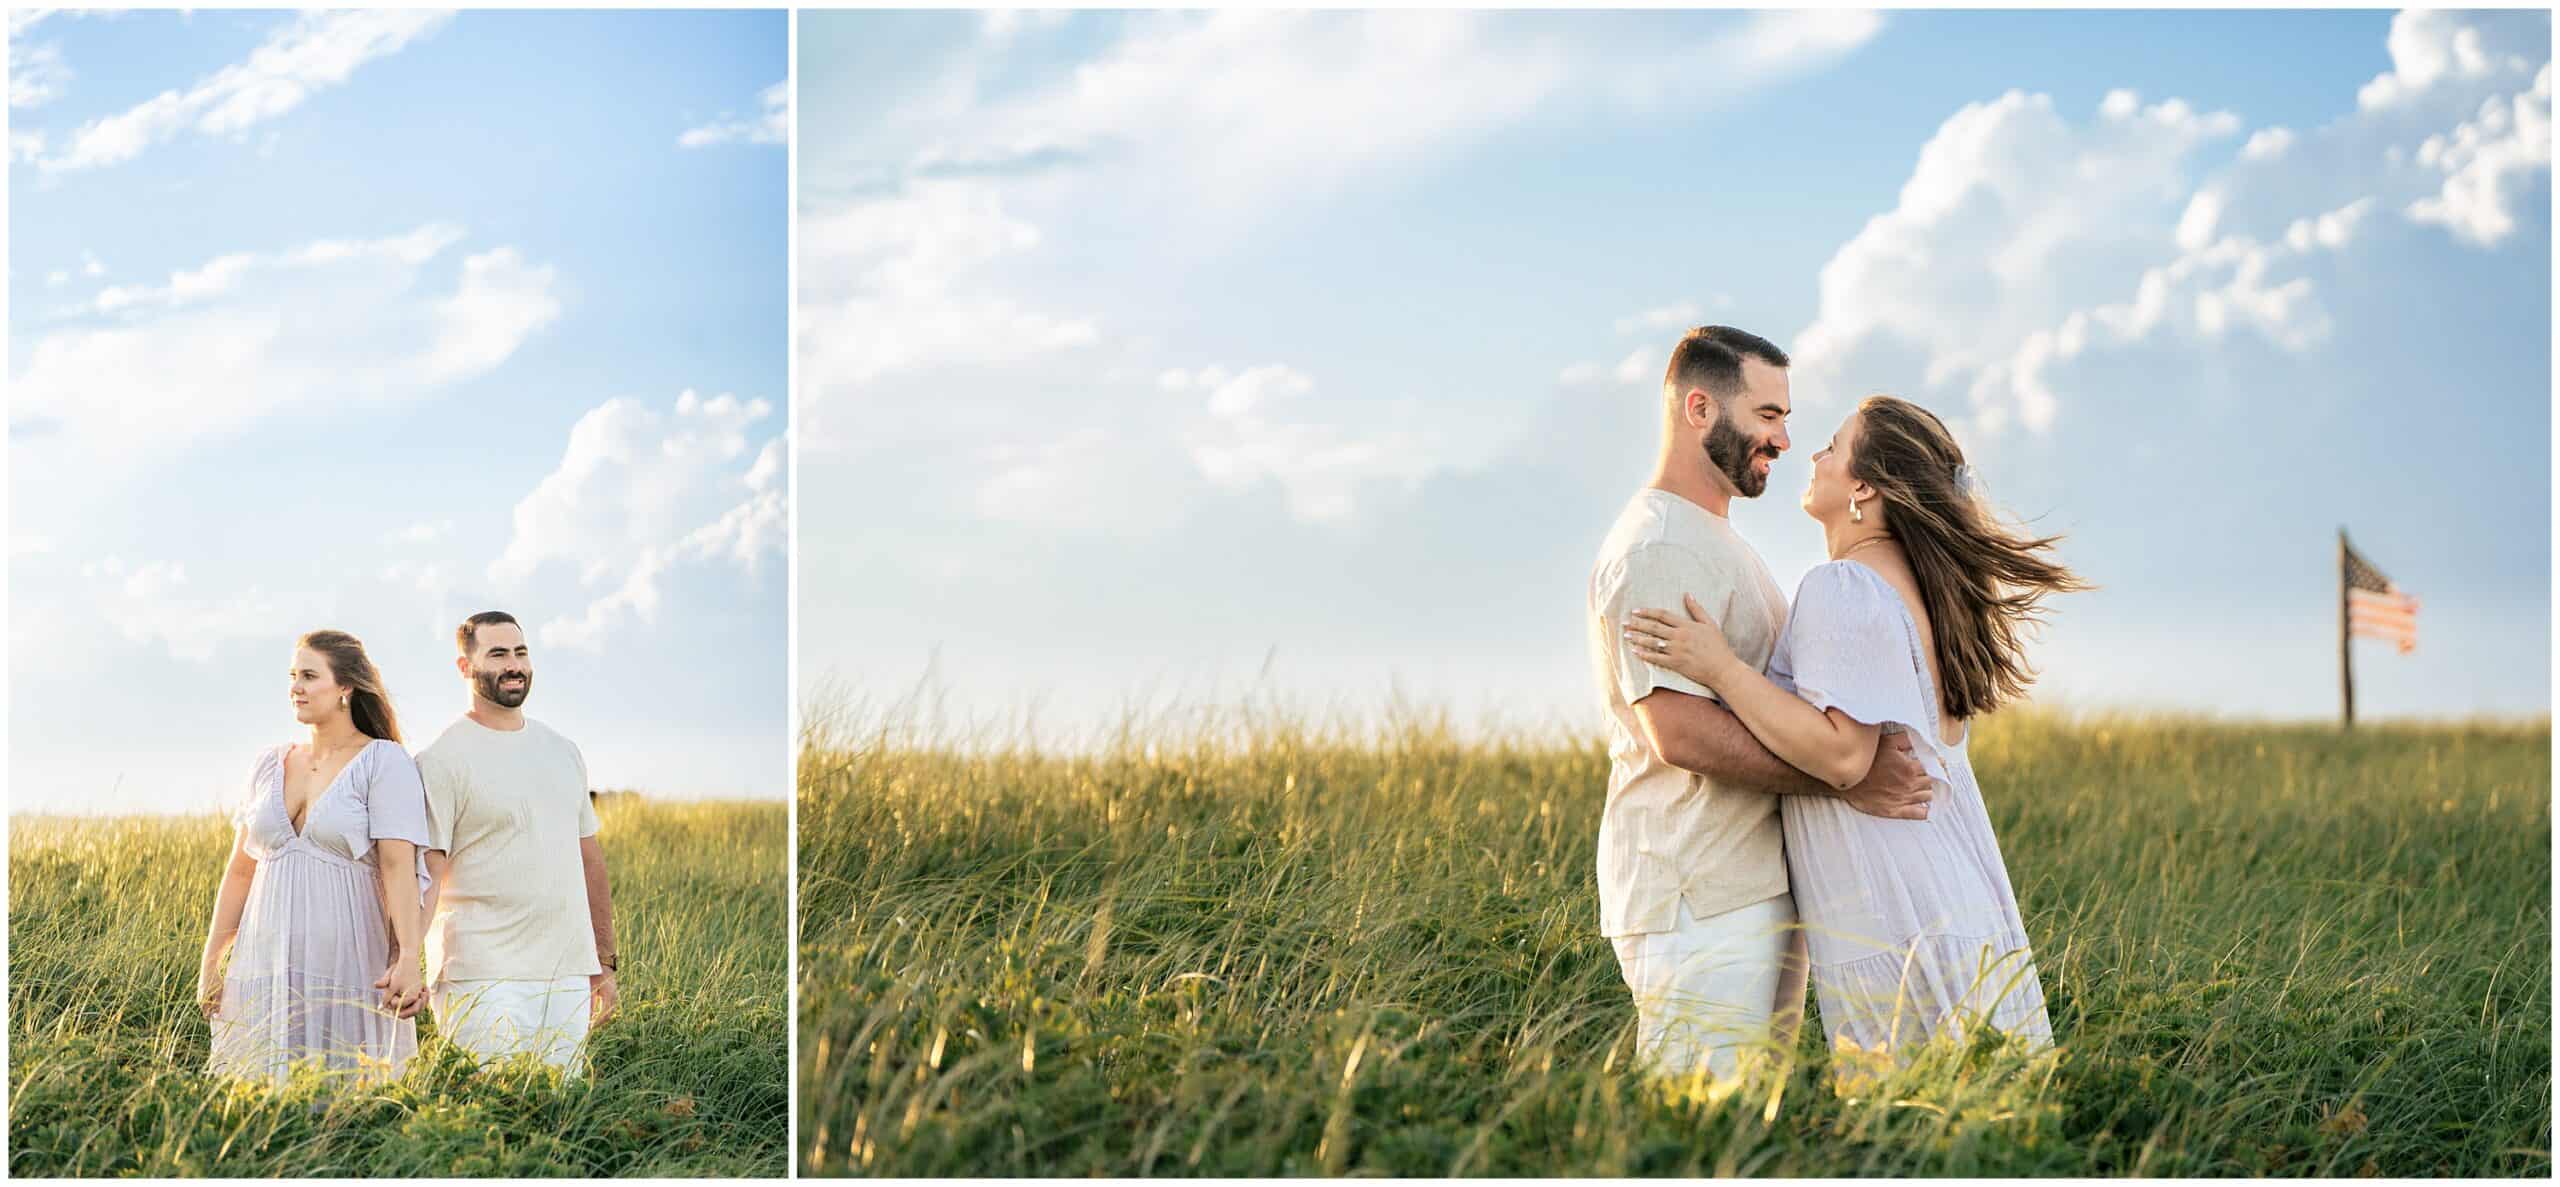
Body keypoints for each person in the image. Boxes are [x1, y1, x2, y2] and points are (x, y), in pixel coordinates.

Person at [1624, 393, 2086, 1061]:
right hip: (1951, 896)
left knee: (1910, 1122)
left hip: (1900, 907)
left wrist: (1720, 668)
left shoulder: (1847, 586)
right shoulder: (1916, 589)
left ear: (1864, 485)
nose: (1812, 455)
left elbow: (1843, 754)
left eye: (1834, 447)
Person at [1586, 325, 1935, 1087]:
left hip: (1750, 884)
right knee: (1695, 1133)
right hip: (1696, 891)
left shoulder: (1716, 540)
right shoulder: (1660, 550)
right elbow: (1677, 731)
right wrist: (1847, 777)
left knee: (1745, 1136)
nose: (1782, 439)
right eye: (1768, 415)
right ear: (1701, 409)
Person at [197, 629, 431, 1084]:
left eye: (309, 675)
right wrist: (210, 963)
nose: (296, 688)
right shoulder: (270, 762)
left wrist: (407, 959)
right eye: (292, 676)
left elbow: (399, 868)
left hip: (349, 963)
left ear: (345, 687)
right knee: (256, 1095)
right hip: (264, 960)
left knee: (345, 1094)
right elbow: (241, 871)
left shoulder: (383, 762)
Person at [414, 610, 620, 1074]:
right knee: (495, 1114)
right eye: (498, 654)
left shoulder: (563, 751)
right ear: (465, 668)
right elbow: (428, 872)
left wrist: (603, 964)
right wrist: (406, 958)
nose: (514, 665)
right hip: (480, 973)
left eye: (521, 653)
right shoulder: (440, 759)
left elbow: (590, 861)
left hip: (565, 971)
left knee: (561, 1117)